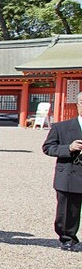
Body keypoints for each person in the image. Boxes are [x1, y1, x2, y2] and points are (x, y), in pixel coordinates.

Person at [42, 91, 82, 251]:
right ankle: (67, 238)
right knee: (68, 210)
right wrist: (69, 148)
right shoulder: (62, 127)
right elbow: (48, 147)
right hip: (69, 173)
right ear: (78, 104)